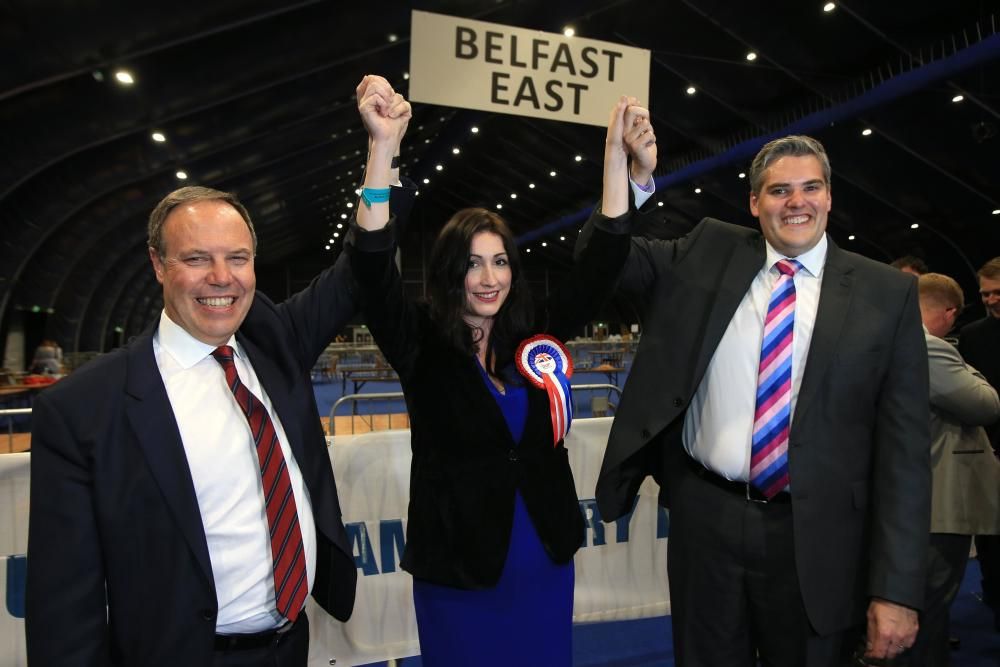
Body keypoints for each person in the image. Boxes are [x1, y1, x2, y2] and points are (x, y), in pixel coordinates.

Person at [25, 115, 416, 664]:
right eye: (196, 258)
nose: (221, 277)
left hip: (290, 646)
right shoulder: (84, 409)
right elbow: (64, 608)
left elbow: (360, 267)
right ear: (158, 266)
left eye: (237, 258)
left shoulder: (275, 343)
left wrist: (383, 148)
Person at [584, 133, 931, 666]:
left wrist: (898, 589)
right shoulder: (706, 252)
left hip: (820, 537)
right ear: (754, 202)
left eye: (810, 187)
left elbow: (905, 457)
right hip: (707, 520)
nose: (796, 202)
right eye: (778, 191)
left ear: (830, 196)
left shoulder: (886, 293)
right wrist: (626, 178)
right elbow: (600, 264)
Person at [346, 75, 646, 665]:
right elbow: (373, 264)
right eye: (474, 263)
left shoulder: (534, 340)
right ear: (450, 272)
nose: (489, 277)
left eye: (501, 261)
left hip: (542, 559)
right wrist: (382, 151)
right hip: (460, 573)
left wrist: (615, 161)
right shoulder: (420, 345)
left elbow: (601, 265)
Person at [908, 273, 1000, 665]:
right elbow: (986, 403)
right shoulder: (930, 348)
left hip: (918, 493)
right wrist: (973, 372)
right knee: (930, 603)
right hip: (938, 498)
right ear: (949, 313)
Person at [958, 256, 1000, 631]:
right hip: (991, 451)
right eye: (985, 293)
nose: (990, 299)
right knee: (992, 537)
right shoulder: (971, 336)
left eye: (997, 292)